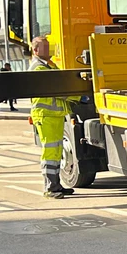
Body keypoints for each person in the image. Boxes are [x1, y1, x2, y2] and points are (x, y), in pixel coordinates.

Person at [29, 37, 75, 199]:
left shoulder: (49, 65)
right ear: (35, 50)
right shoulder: (39, 68)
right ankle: (50, 188)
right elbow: (57, 88)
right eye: (44, 47)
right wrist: (78, 96)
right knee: (50, 152)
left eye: (48, 46)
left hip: (54, 115)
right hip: (46, 116)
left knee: (56, 151)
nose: (48, 49)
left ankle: (56, 185)